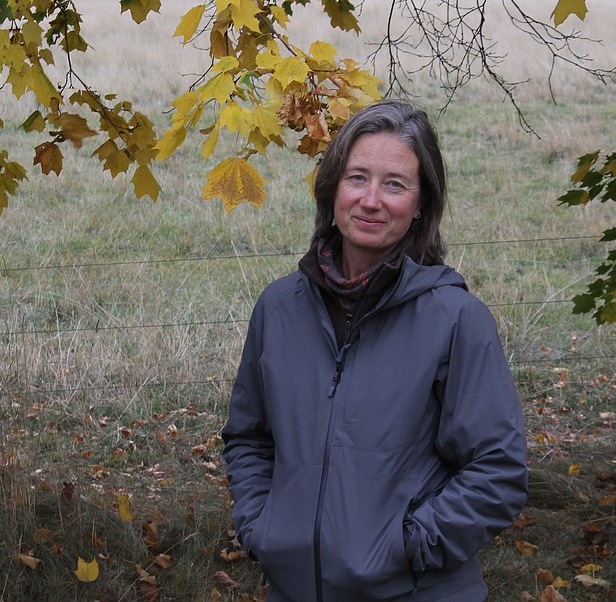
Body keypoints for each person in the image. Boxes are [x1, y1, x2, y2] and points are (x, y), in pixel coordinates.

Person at [221, 100, 529, 602]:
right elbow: (249, 437)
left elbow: (497, 469)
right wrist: (263, 526)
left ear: (421, 203)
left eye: (395, 184)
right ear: (332, 188)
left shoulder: (455, 319)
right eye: (357, 177)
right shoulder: (278, 309)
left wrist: (408, 548)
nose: (370, 200)